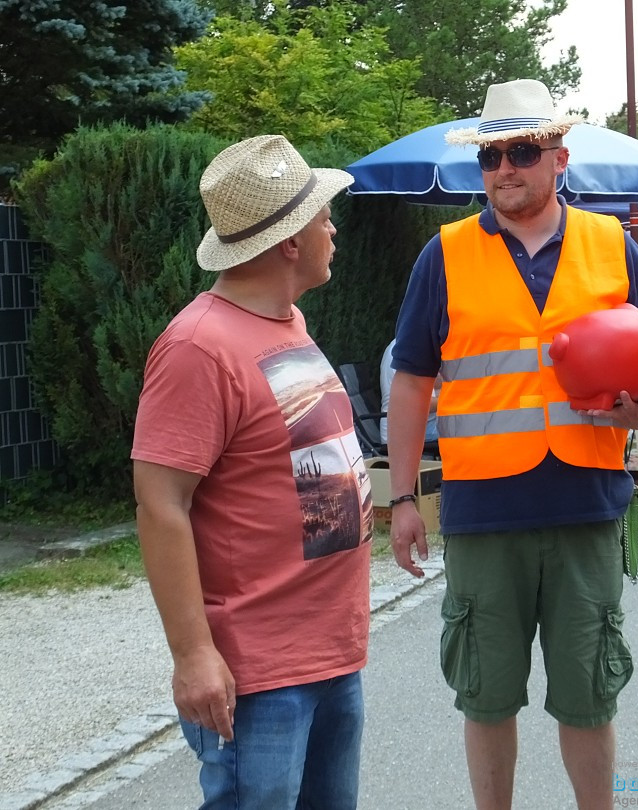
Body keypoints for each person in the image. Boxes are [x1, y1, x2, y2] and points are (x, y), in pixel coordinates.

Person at [388, 78, 638, 810]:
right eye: (490, 157)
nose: (504, 169)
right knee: (486, 695)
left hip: (586, 503)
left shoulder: (613, 246)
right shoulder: (443, 255)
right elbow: (413, 380)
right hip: (485, 512)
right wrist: (399, 499)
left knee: (589, 695)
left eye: (520, 151)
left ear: (559, 158)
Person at [131, 135, 373, 809]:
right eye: (323, 213)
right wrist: (193, 655)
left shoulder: (287, 322)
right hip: (258, 670)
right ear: (290, 240)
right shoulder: (197, 347)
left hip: (328, 653)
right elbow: (160, 503)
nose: (334, 225)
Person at [380, 337, 438, 444]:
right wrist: (455, 399)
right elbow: (419, 403)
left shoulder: (402, 343)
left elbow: (434, 382)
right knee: (465, 426)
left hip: (409, 427)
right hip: (404, 434)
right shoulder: (408, 352)